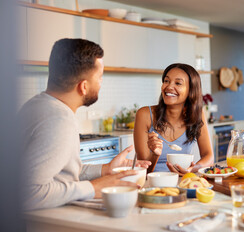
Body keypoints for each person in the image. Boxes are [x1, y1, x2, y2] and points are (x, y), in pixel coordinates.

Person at [19, 38, 151, 210]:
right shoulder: (59, 121)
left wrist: (105, 170)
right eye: (100, 77)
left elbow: (58, 174)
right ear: (83, 87)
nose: (101, 82)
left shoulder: (35, 105)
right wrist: (93, 188)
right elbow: (28, 193)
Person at [134, 63, 214, 175]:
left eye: (178, 83)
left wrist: (193, 168)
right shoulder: (145, 115)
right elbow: (144, 170)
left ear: (191, 91)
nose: (169, 87)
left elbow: (209, 157)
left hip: (183, 181)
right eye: (166, 81)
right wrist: (155, 154)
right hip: (154, 184)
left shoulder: (197, 114)